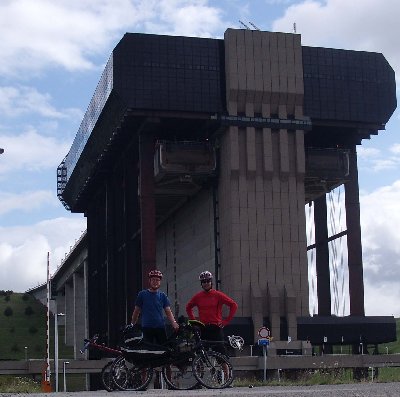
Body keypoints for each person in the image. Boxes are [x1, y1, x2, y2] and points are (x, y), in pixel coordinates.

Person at [185, 270, 238, 355]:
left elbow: (233, 305)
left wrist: (226, 321)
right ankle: (199, 368)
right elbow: (188, 307)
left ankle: (226, 369)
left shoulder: (218, 295)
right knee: (199, 353)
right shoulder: (198, 296)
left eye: (208, 281)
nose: (206, 283)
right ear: (201, 284)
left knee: (220, 352)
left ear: (211, 282)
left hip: (215, 327)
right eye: (203, 282)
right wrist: (194, 321)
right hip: (203, 328)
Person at [131, 269, 179, 345]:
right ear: (149, 281)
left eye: (157, 280)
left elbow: (168, 311)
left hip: (160, 327)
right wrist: (132, 324)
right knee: (148, 351)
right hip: (147, 327)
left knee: (163, 349)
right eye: (153, 280)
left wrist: (174, 323)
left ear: (160, 282)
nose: (155, 282)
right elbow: (137, 311)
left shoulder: (162, 296)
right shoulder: (142, 294)